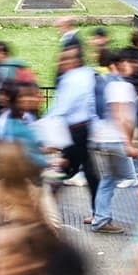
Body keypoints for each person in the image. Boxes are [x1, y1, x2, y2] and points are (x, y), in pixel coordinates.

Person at [89, 50, 138, 235]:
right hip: (115, 140)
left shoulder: (104, 81)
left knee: (109, 179)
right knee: (133, 179)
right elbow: (121, 116)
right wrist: (128, 144)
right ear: (120, 64)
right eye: (129, 63)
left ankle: (100, 218)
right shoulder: (120, 85)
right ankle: (103, 219)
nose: (132, 67)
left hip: (102, 138)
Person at [45, 45, 99, 213]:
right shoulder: (88, 74)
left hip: (76, 130)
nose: (62, 63)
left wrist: (45, 126)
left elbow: (61, 107)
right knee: (79, 171)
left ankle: (43, 206)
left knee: (72, 170)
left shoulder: (72, 79)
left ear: (76, 61)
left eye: (66, 59)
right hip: (80, 130)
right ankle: (99, 213)